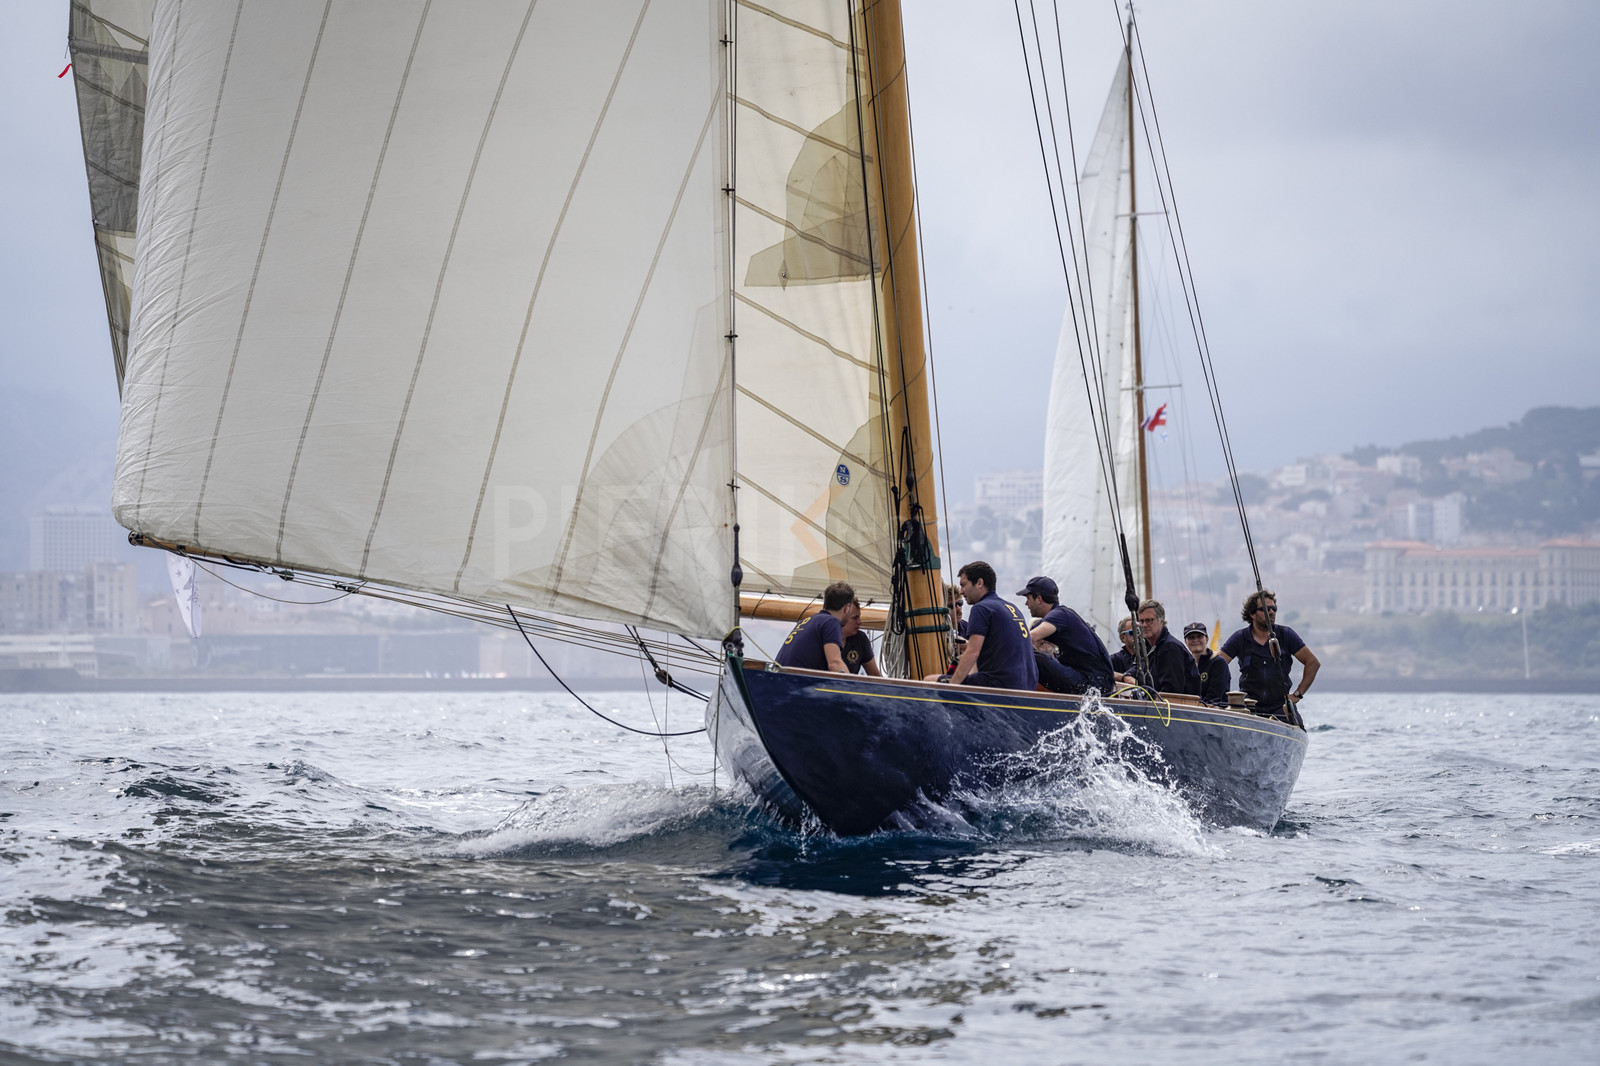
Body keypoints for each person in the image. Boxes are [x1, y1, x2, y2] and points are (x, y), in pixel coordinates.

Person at [922, 561, 1038, 690]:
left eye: (963, 585)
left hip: (998, 685)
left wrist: (952, 688)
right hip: (1026, 685)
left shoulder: (981, 608)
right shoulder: (1012, 607)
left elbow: (972, 653)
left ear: (979, 583)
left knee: (929, 681)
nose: (962, 591)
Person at [1216, 590, 1320, 724]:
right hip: (1249, 706)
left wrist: (1297, 694)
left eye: (1274, 609)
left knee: (1298, 730)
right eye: (1265, 609)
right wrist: (1220, 698)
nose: (1271, 612)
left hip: (1280, 706)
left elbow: (1313, 662)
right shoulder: (1240, 638)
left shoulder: (1286, 635)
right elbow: (1217, 664)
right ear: (1252, 614)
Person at [1018, 576, 1114, 695]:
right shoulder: (1051, 619)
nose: (1026, 603)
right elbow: (1025, 635)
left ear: (1038, 598)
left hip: (1096, 684)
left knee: (1035, 657)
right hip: (1086, 680)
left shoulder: (1060, 615)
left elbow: (1029, 638)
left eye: (1028, 598)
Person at [774, 581, 855, 673]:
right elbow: (835, 664)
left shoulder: (805, 621)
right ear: (847, 608)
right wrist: (853, 686)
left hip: (778, 678)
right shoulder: (831, 622)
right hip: (795, 682)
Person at [1136, 599, 1201, 696]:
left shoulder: (1170, 648)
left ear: (1161, 621)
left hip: (1179, 708)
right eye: (1141, 621)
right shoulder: (1149, 648)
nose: (1144, 625)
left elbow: (1171, 690)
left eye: (1149, 620)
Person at [1184, 621, 1230, 706]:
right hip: (1190, 713)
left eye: (1199, 636)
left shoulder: (1218, 663)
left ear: (1207, 639)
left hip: (1215, 715)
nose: (1195, 640)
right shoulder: (1185, 666)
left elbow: (1215, 698)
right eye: (1191, 637)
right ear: (1186, 642)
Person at [839, 600, 882, 677]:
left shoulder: (861, 639)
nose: (860, 622)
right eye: (855, 618)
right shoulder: (821, 637)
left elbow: (875, 675)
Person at [1110, 616, 1137, 680]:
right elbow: (1100, 670)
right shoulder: (1115, 659)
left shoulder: (1150, 656)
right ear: (1123, 637)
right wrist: (1124, 677)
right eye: (1132, 632)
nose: (1137, 635)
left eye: (1139, 631)